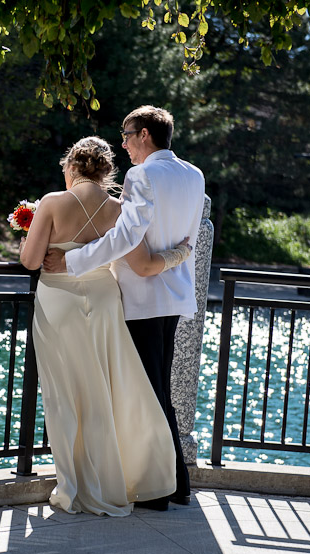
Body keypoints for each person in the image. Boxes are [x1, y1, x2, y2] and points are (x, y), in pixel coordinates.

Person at [43, 106, 206, 506]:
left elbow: (126, 237)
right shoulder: (193, 173)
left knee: (146, 395)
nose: (124, 143)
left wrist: (71, 261)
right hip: (175, 293)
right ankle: (176, 485)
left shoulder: (142, 175)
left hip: (141, 297)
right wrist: (169, 261)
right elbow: (189, 238)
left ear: (146, 134)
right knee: (157, 389)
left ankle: (161, 490)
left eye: (128, 134)